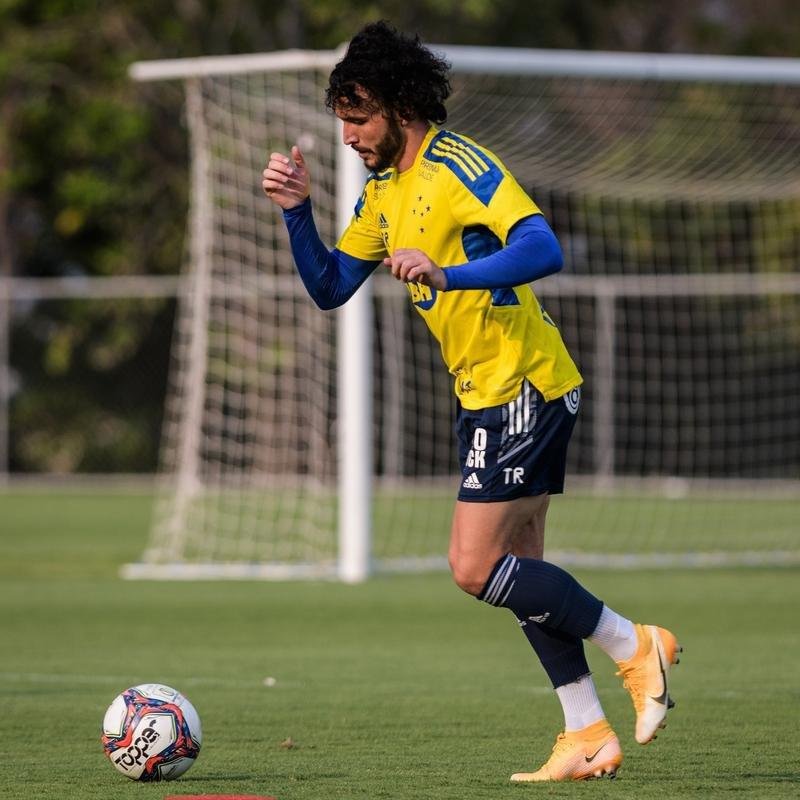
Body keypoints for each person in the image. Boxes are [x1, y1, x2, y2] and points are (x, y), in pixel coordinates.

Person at [262, 20, 681, 783]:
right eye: (342, 122)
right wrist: (298, 210)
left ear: (399, 104)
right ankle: (586, 732)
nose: (349, 136)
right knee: (521, 565)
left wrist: (445, 273)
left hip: (524, 382)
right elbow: (330, 288)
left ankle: (633, 643)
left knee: (472, 565)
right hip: (483, 393)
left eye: (359, 119)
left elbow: (542, 246)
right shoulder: (383, 193)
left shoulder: (461, 163)